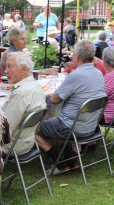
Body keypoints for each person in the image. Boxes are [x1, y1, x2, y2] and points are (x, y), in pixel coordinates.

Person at [36, 40, 106, 174]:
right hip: (90, 126)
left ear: (77, 57)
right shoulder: (98, 73)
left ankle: (59, 162)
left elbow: (55, 100)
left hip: (72, 127)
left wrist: (59, 91)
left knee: (33, 127)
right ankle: (71, 162)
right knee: (54, 120)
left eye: (73, 53)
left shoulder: (76, 75)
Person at [1, 53, 46, 156]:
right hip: (27, 141)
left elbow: (6, 129)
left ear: (23, 69)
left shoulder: (21, 93)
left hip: (13, 145)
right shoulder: (34, 85)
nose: (5, 71)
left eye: (9, 67)